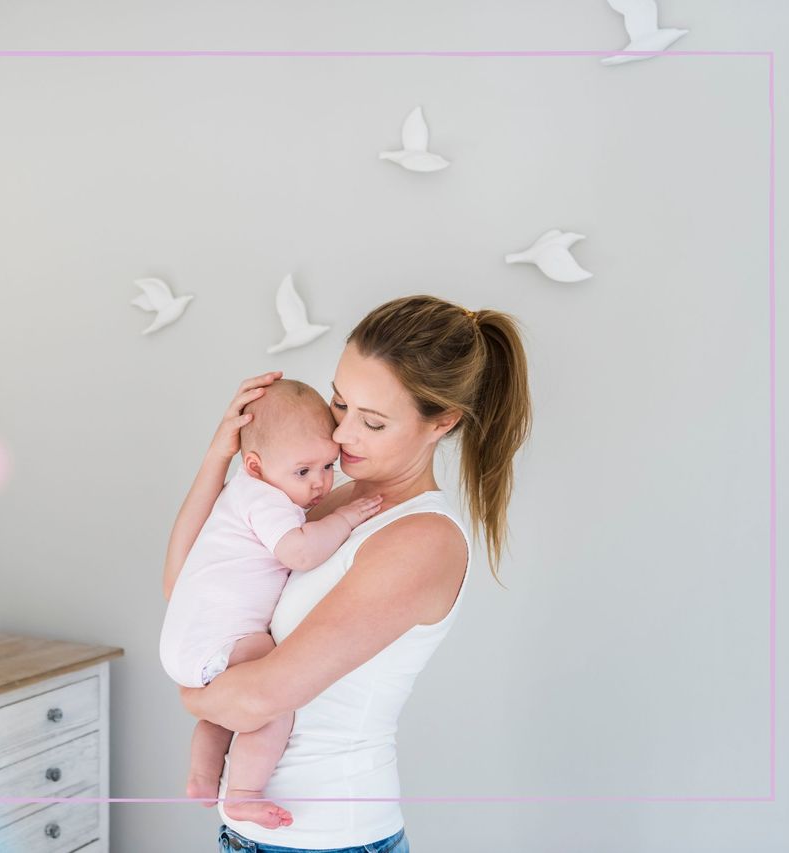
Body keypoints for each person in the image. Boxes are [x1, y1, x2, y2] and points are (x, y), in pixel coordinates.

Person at [165, 295, 532, 852]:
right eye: (340, 404)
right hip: (253, 837)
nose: (340, 436)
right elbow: (188, 585)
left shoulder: (421, 539)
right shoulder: (326, 498)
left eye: (374, 421)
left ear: (444, 422)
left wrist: (194, 692)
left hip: (328, 841)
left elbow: (258, 698)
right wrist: (222, 454)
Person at [159, 379, 384, 829]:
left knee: (224, 714)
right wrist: (343, 518)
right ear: (256, 466)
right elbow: (299, 552)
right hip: (222, 641)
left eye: (327, 465)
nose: (319, 482)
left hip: (189, 645)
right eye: (303, 471)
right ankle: (242, 793)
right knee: (273, 708)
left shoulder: (245, 490)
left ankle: (203, 778)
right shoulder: (268, 499)